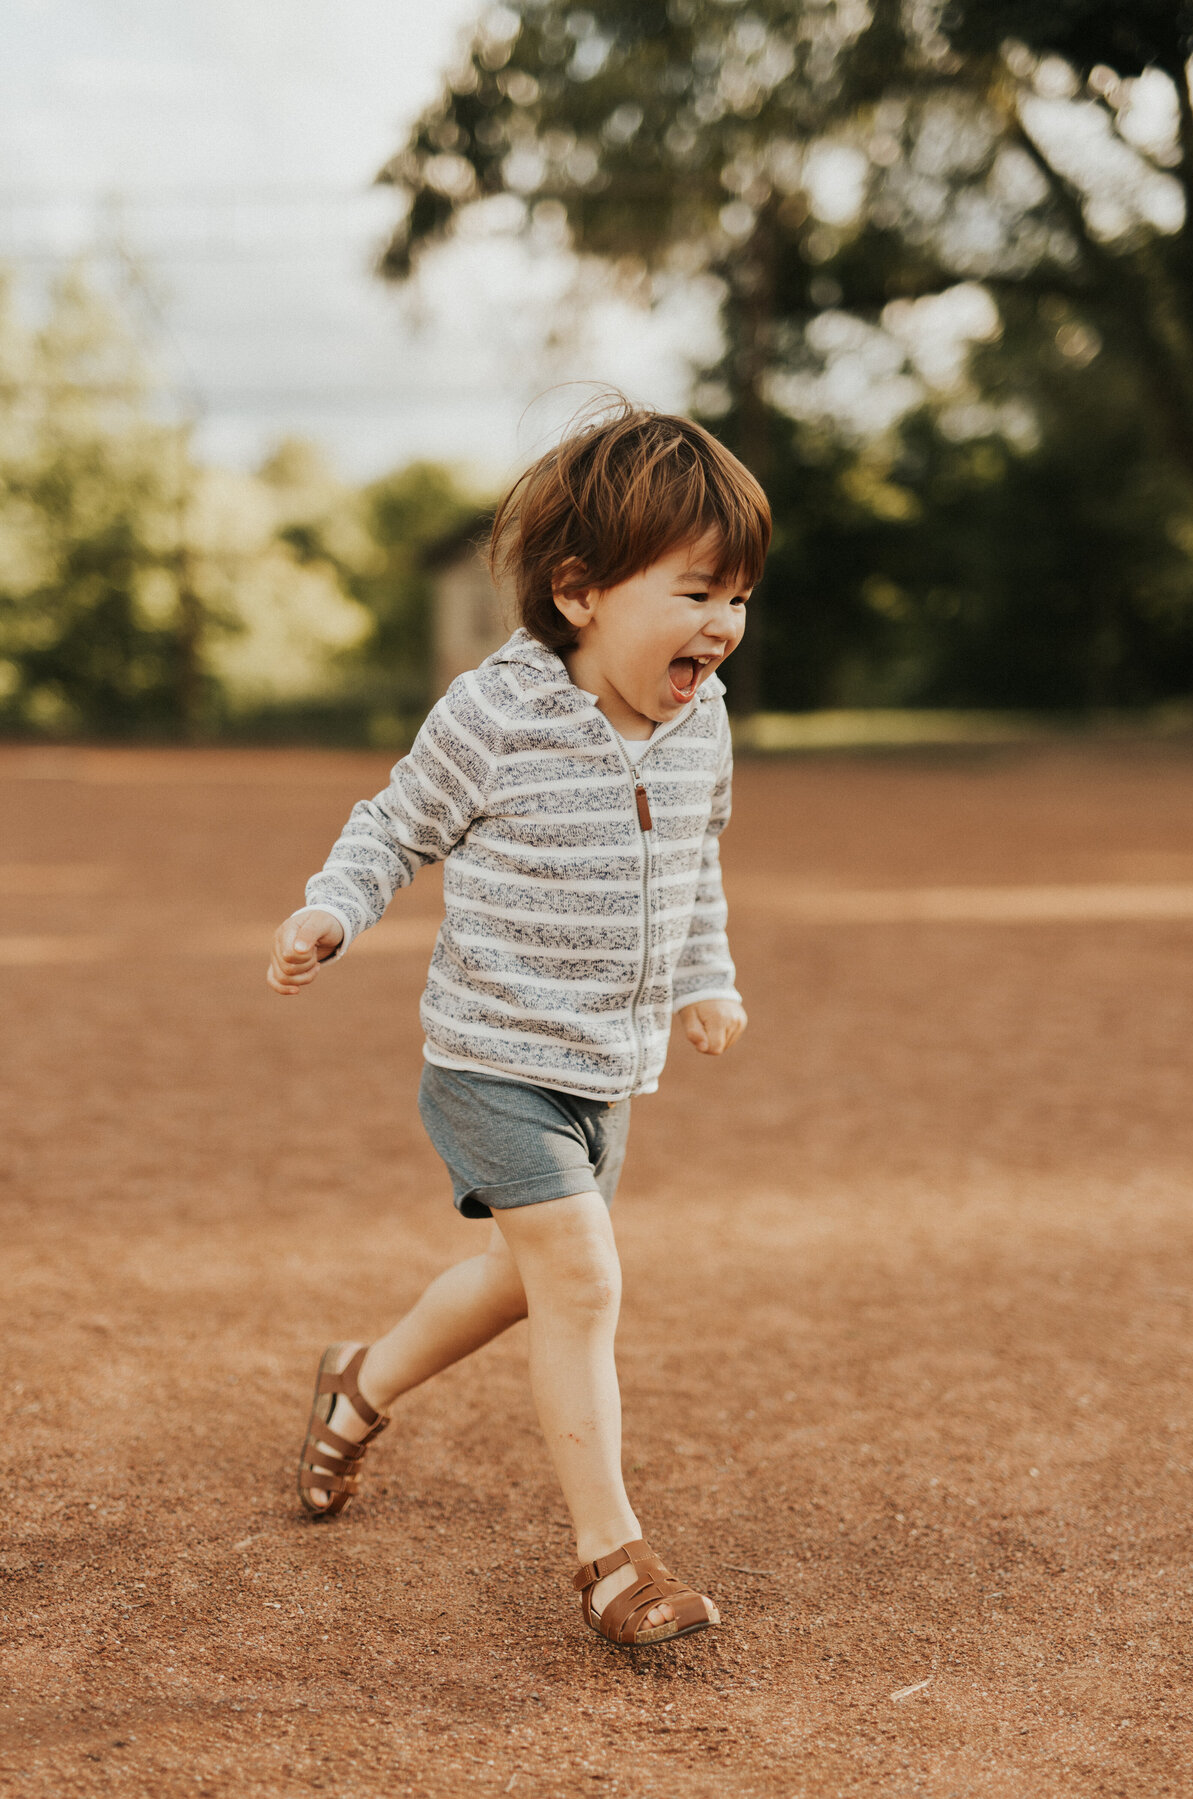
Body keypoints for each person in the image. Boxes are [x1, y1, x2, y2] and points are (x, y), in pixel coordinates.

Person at [268, 400, 770, 1648]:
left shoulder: (697, 719)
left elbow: (695, 861)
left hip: (608, 1064)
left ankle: (358, 1383)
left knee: (518, 1281)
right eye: (699, 591)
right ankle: (613, 1558)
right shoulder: (493, 714)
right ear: (581, 589)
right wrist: (334, 910)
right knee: (585, 1280)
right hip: (491, 1061)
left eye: (741, 599)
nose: (724, 626)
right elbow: (392, 827)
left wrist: (708, 975)